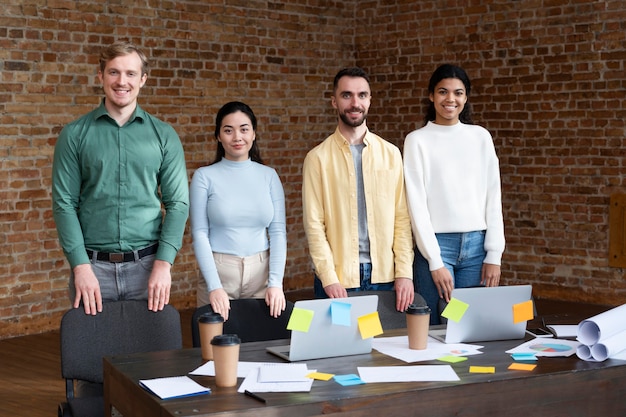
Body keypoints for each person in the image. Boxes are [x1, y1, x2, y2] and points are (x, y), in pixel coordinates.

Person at [52, 41, 189, 316]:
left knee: (149, 356)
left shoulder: (164, 136)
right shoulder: (74, 134)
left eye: (130, 73)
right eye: (114, 72)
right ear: (100, 76)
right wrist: (80, 266)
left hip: (148, 267)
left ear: (143, 80)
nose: (122, 81)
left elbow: (178, 204)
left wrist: (164, 265)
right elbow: (64, 203)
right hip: (93, 270)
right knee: (91, 355)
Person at [302, 67, 415, 312]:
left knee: (386, 348)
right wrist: (328, 277)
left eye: (362, 95)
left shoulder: (391, 154)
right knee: (341, 350)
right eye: (347, 95)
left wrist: (404, 272)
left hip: (385, 277)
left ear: (370, 100)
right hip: (339, 280)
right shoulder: (317, 159)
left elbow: (401, 218)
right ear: (334, 101)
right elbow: (314, 224)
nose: (355, 103)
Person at [403, 64, 505, 324]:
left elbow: (493, 197)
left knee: (469, 325)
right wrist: (435, 261)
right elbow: (417, 206)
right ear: (431, 96)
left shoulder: (480, 137)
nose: (451, 99)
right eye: (443, 92)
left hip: (477, 248)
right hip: (436, 247)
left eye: (458, 93)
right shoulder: (417, 141)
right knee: (437, 323)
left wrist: (494, 254)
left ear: (466, 97)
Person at [190, 101, 287, 320]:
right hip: (218, 274)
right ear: (218, 136)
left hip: (262, 276)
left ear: (254, 134)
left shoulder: (269, 176)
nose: (237, 137)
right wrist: (214, 286)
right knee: (216, 349)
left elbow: (278, 232)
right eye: (228, 130)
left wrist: (275, 282)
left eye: (244, 129)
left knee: (261, 348)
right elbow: (199, 233)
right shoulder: (204, 177)